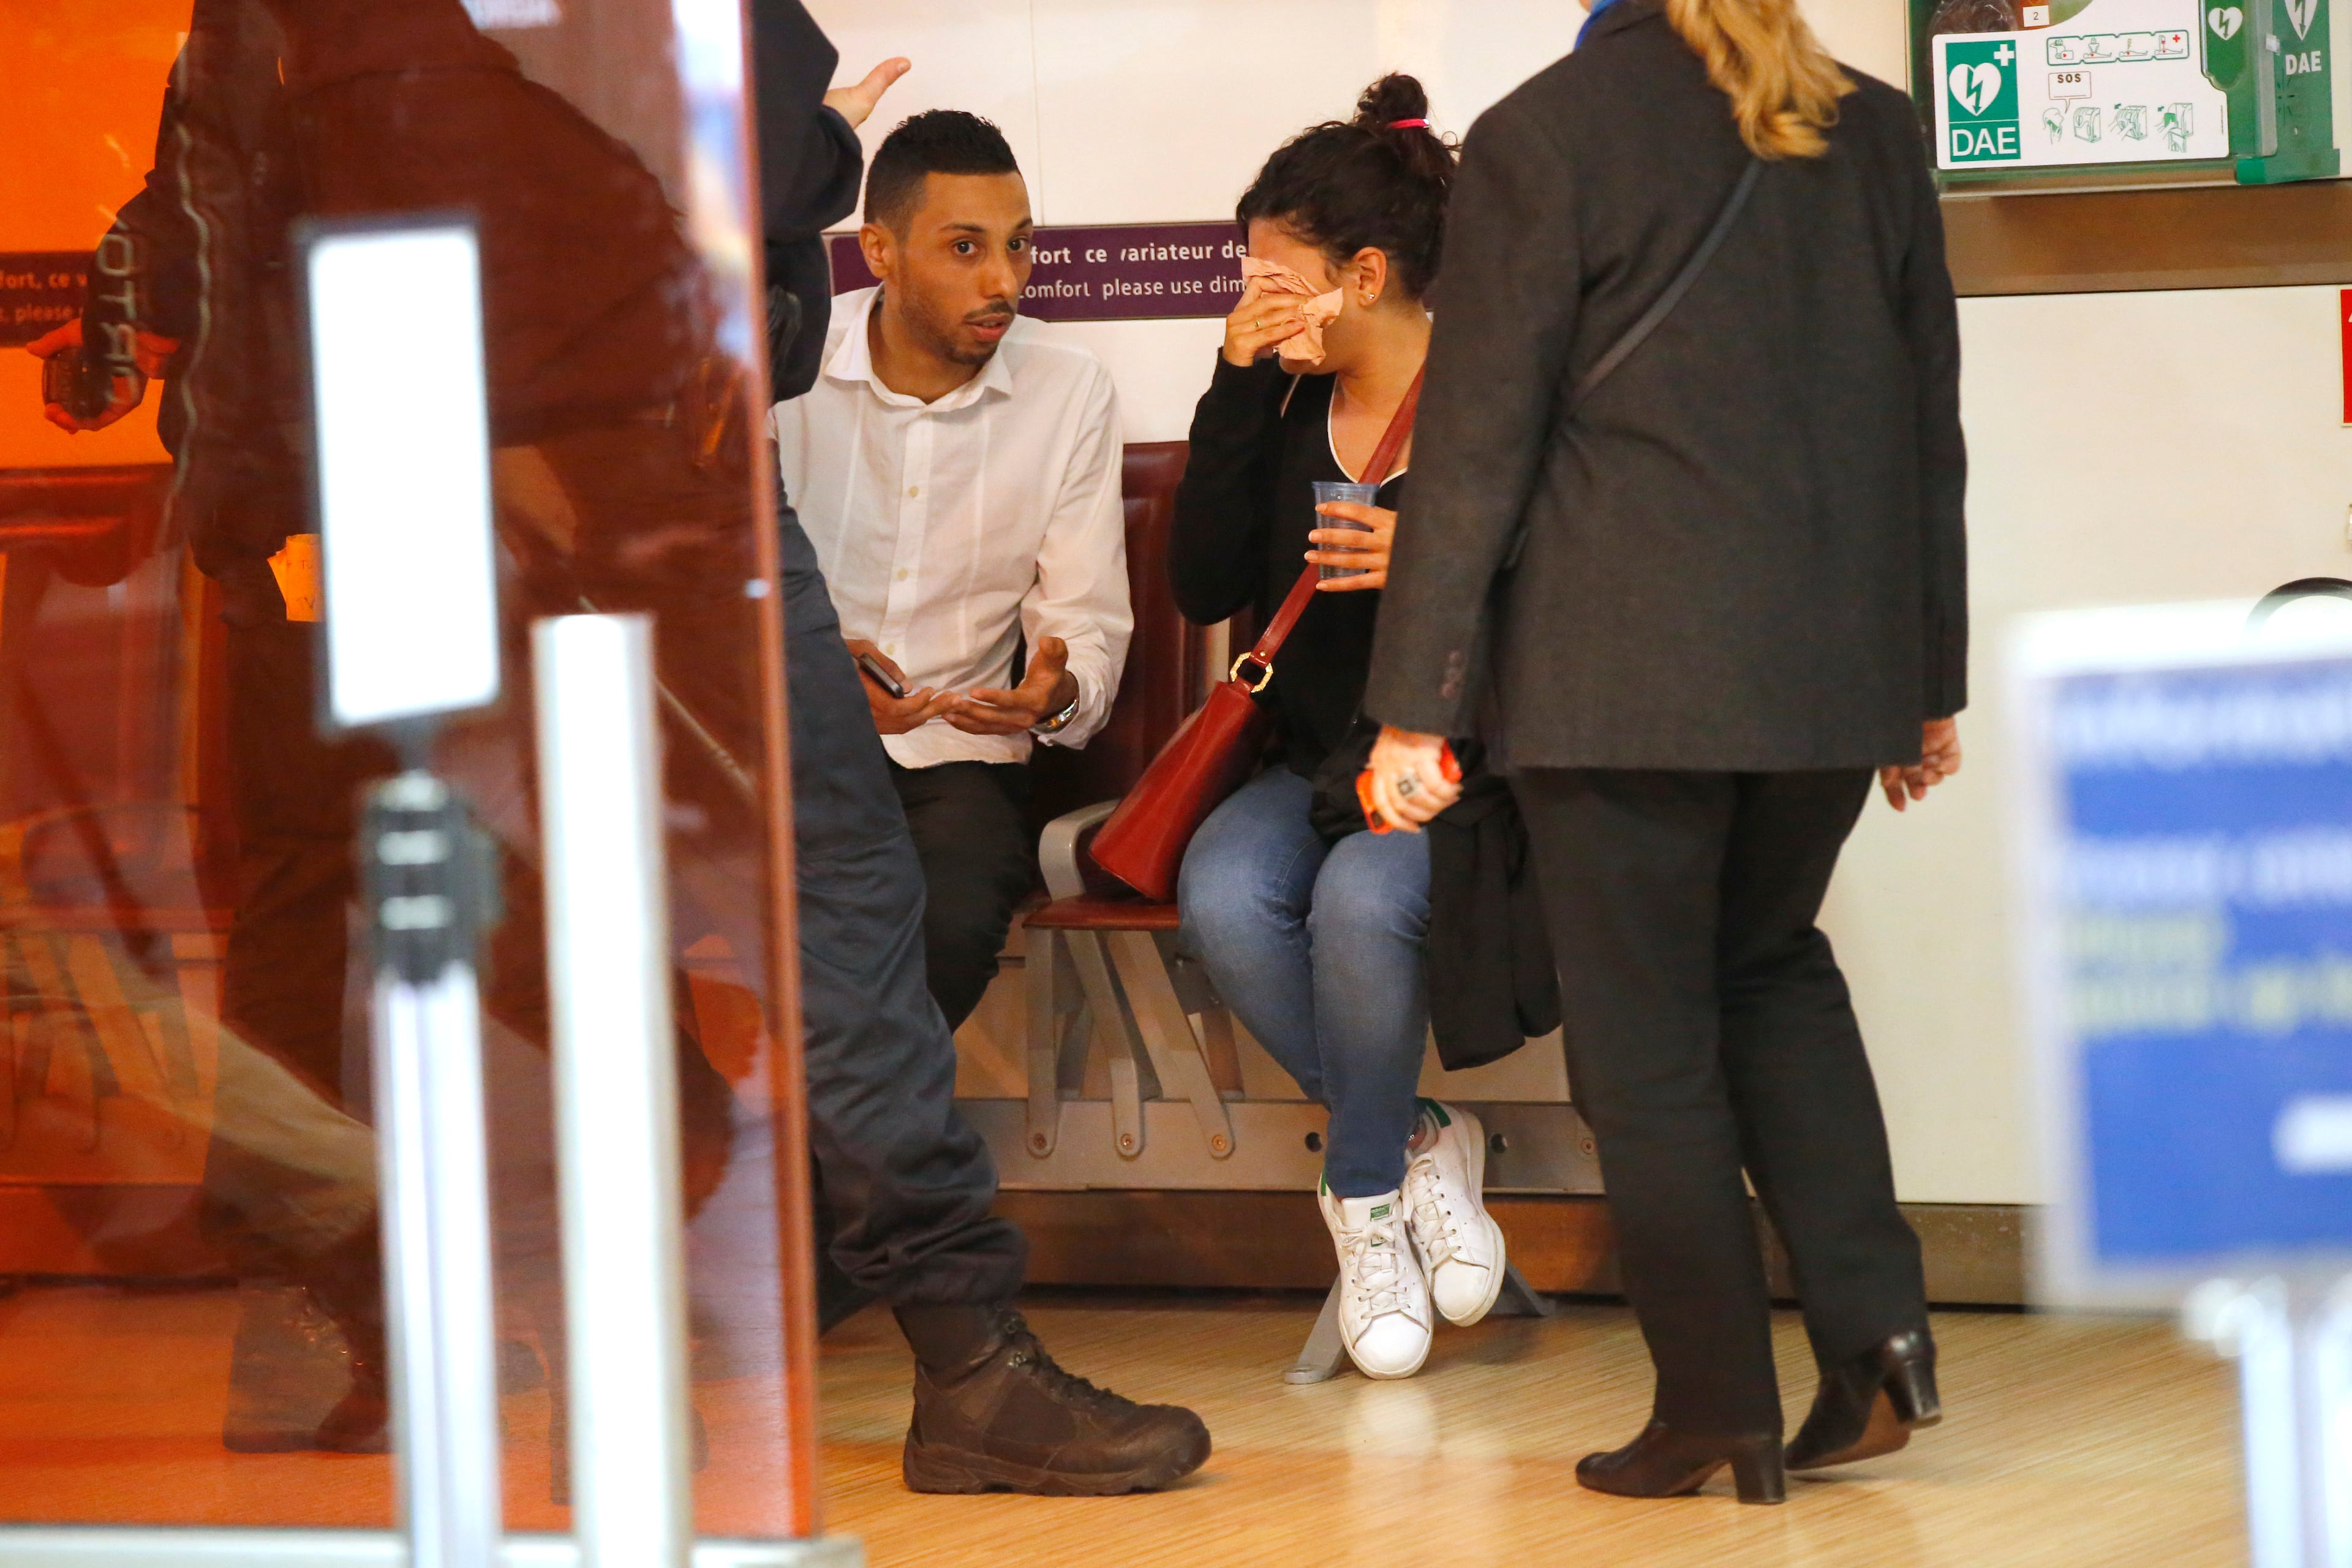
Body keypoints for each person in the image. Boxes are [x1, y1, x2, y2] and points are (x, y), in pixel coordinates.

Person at [1361, 0, 1967, 1504]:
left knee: (1647, 1049)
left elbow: (1482, 436)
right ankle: (1882, 1338)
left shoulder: (1546, 134)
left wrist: (1417, 699)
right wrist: (1925, 677)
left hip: (1618, 673)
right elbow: (1926, 426)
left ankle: (1715, 1408)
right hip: (1827, 669)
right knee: (1772, 970)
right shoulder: (1875, 125)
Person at [1167, 75, 1506, 1384]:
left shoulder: (1486, 397)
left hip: (1450, 757)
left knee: (1367, 904)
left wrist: (1426, 555)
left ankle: (1362, 1202)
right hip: (1310, 759)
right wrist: (1234, 384)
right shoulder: (1279, 402)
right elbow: (1203, 584)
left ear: (1364, 274)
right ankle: (1422, 1139)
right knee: (1225, 891)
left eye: (1271, 275)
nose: (1249, 297)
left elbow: (1570, 590)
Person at [772, 108, 1131, 1035]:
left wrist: (1050, 698)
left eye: (1018, 247)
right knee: (760, 931)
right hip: (787, 748)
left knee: (951, 925)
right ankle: (848, 1166)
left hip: (958, 760)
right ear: (879, 252)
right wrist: (808, 669)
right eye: (965, 248)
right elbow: (713, 588)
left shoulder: (1070, 385)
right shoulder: (782, 366)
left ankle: (826, 1165)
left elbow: (1085, 621)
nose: (1003, 281)